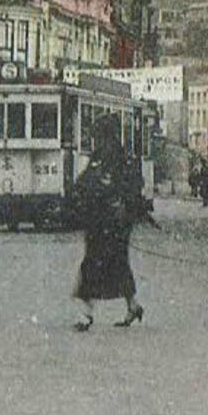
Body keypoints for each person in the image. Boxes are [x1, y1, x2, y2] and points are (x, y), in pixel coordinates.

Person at [72, 116, 153, 330]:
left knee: (93, 264)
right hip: (112, 222)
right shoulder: (119, 154)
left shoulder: (108, 155)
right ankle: (133, 306)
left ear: (103, 134)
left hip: (106, 221)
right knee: (117, 265)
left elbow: (91, 181)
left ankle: (86, 314)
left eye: (96, 134)